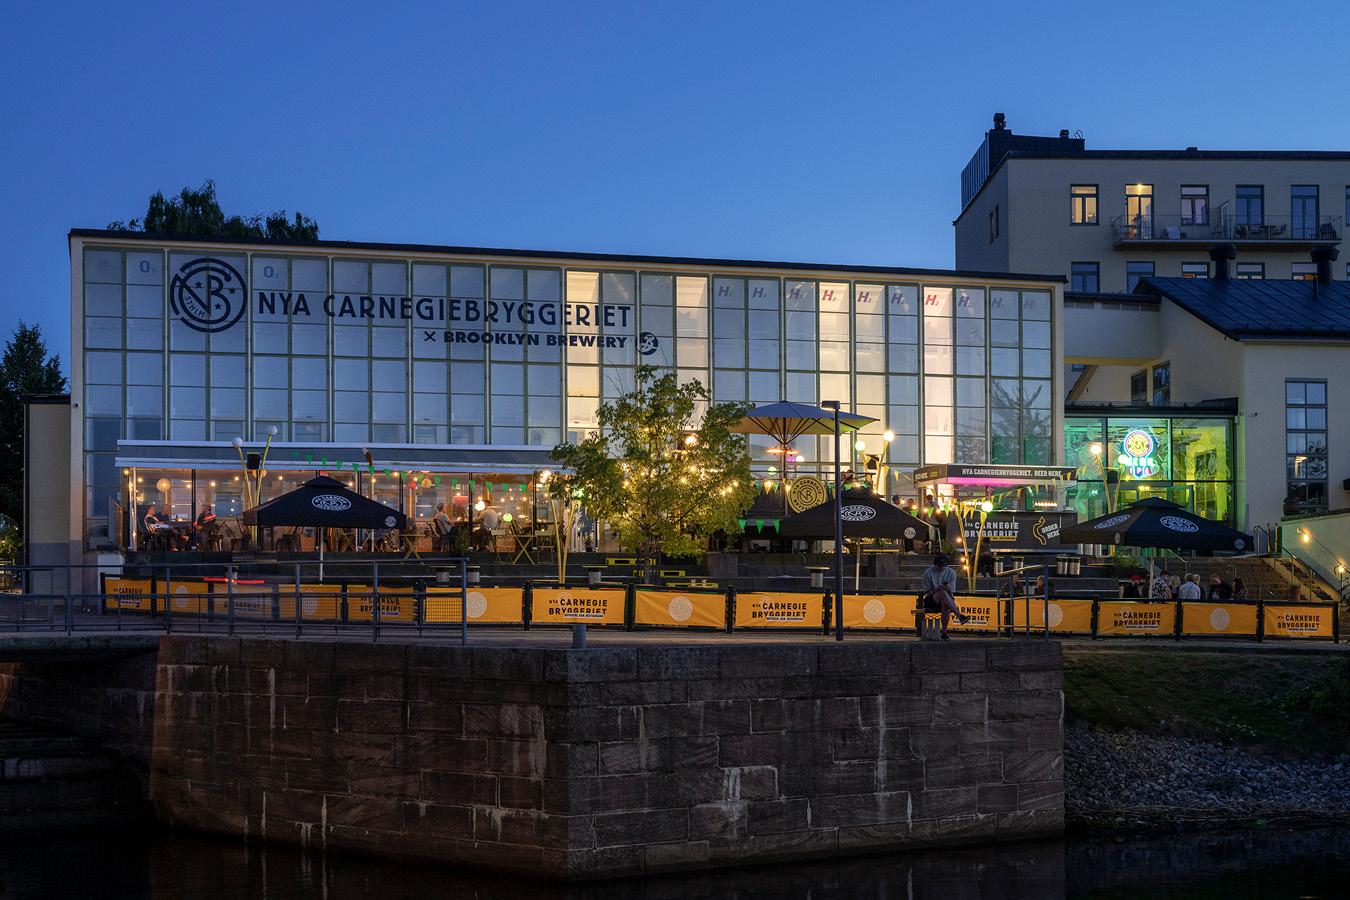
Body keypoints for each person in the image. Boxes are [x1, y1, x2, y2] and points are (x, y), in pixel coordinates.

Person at [921, 553, 969, 640]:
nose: (942, 568)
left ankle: (944, 633)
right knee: (943, 593)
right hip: (931, 599)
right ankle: (959, 615)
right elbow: (927, 592)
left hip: (946, 599)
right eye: (940, 566)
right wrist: (938, 588)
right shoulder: (928, 573)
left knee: (945, 603)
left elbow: (952, 592)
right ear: (935, 564)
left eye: (944, 566)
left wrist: (948, 588)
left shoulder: (951, 573)